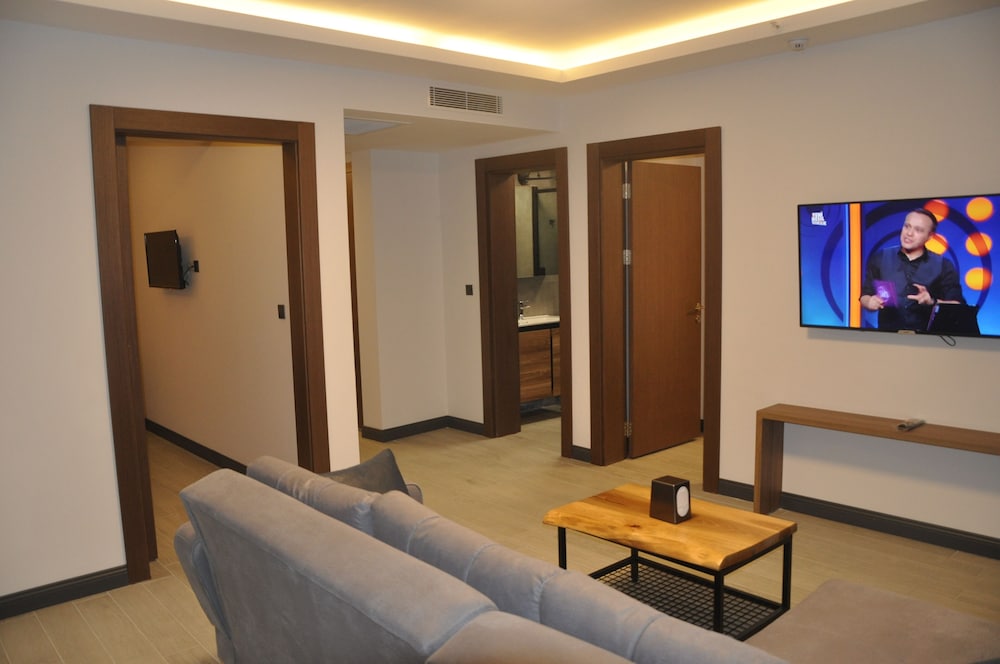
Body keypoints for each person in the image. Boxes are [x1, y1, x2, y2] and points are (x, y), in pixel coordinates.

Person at [860, 208, 965, 331]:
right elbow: (865, 295)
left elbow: (957, 306)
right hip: (887, 337)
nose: (909, 233)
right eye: (907, 226)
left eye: (918, 230)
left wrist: (931, 301)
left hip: (928, 339)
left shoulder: (944, 265)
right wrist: (869, 302)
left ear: (930, 236)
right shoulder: (881, 258)